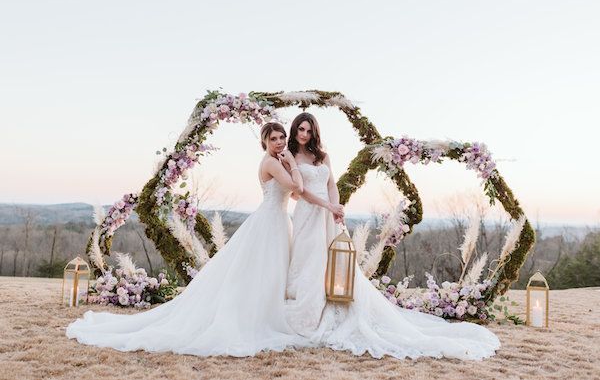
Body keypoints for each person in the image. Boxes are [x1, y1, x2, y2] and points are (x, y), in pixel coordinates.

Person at [66, 122, 309, 357]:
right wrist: (293, 164)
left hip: (278, 221)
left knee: (269, 271)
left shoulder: (279, 162)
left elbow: (293, 195)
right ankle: (254, 318)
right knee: (262, 270)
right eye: (273, 139)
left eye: (281, 138)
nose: (279, 143)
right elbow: (295, 187)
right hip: (268, 223)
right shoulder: (272, 163)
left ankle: (265, 312)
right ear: (264, 142)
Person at [284, 112, 501, 360]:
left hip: (328, 215)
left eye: (308, 131)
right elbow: (297, 192)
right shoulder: (290, 156)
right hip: (308, 214)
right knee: (309, 260)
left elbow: (331, 185)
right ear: (294, 130)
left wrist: (337, 208)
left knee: (331, 261)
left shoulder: (322, 156)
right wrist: (327, 205)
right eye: (300, 129)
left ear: (314, 133)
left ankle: (333, 306)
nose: (304, 135)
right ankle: (307, 314)